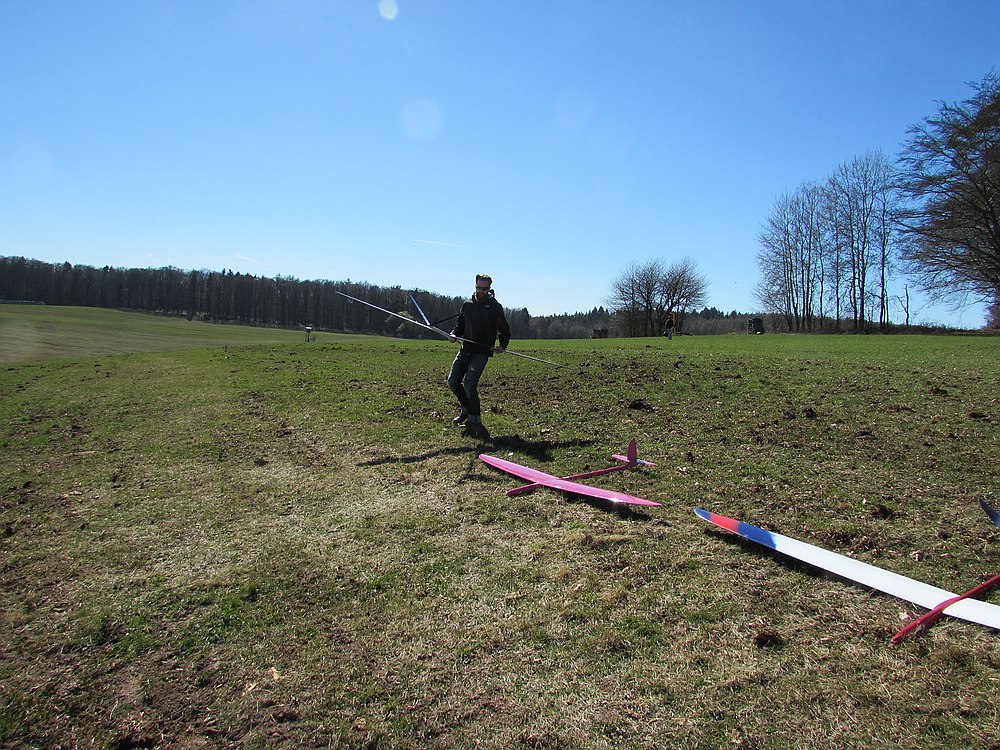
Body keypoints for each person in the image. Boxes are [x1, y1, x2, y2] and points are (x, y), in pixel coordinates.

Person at [447, 274, 511, 432]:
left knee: (469, 385)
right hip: (465, 349)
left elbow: (504, 330)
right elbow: (459, 325)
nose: (480, 291)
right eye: (478, 287)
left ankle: (474, 421)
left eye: (484, 288)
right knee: (453, 381)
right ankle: (465, 410)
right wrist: (454, 334)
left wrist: (502, 346)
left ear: (489, 289)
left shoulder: (494, 307)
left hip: (481, 353)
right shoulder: (467, 304)